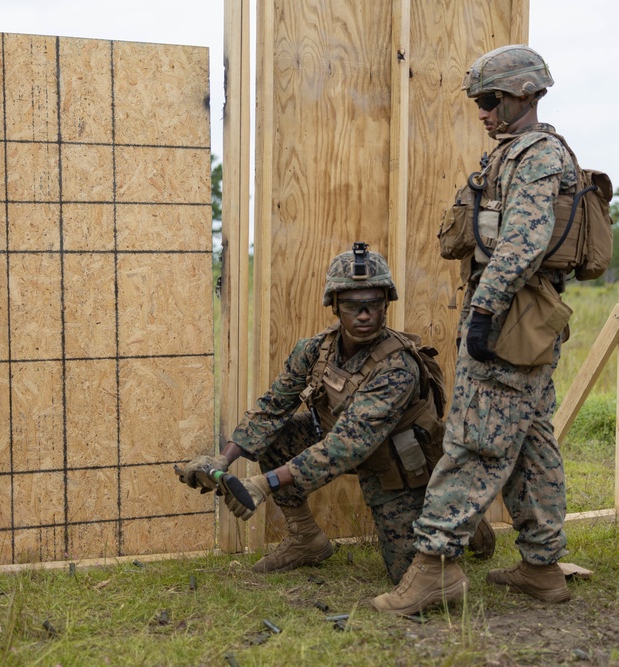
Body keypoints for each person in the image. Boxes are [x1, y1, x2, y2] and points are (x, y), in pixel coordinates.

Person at [370, 44, 576, 614]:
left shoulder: (536, 156)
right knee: (530, 440)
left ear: (527, 96)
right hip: (520, 313)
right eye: (478, 101)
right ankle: (543, 568)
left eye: (491, 100)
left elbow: (523, 242)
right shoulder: (511, 154)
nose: (482, 111)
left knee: (473, 443)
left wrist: (483, 312)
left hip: (511, 315)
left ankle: (435, 566)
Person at [179, 244, 495, 584]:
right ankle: (306, 540)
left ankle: (463, 520)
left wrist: (264, 483)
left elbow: (348, 445)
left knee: (407, 576)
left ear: (386, 304)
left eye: (373, 304)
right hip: (342, 443)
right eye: (352, 306)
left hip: (399, 465)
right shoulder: (314, 349)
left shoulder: (398, 367)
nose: (364, 315)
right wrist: (222, 461)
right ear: (334, 307)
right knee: (276, 437)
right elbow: (271, 408)